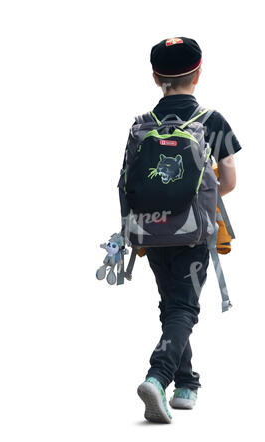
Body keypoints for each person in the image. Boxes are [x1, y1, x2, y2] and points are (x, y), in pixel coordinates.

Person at [135, 37, 240, 422]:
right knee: (183, 307)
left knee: (172, 305)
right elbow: (228, 180)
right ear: (198, 73)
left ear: (154, 77)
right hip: (195, 230)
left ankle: (186, 383)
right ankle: (157, 377)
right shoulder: (211, 120)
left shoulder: (142, 124)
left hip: (150, 231)